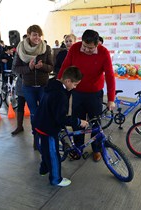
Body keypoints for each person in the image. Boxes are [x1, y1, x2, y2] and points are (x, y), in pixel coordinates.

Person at [57, 29, 115, 162]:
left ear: (97, 44)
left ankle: (96, 149)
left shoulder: (103, 52)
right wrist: (58, 83)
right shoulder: (75, 48)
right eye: (84, 46)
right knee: (78, 122)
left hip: (95, 94)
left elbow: (110, 76)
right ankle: (78, 148)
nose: (86, 50)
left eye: (90, 48)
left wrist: (111, 99)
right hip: (77, 92)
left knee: (95, 123)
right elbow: (65, 66)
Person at [33, 66, 87, 187]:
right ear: (67, 81)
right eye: (75, 84)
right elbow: (61, 118)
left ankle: (43, 170)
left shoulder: (53, 83)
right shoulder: (60, 95)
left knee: (46, 151)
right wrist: (79, 122)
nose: (75, 87)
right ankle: (56, 179)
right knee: (53, 153)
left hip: (39, 121)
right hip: (48, 127)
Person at [13, 24, 53, 150]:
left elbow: (51, 67)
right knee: (34, 113)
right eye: (35, 35)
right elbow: (15, 68)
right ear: (29, 35)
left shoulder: (46, 48)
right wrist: (28, 68)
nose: (37, 37)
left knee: (44, 112)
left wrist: (43, 67)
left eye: (39, 35)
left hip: (43, 86)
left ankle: (44, 137)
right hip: (28, 87)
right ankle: (36, 138)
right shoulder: (20, 49)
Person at [10, 35, 28, 136]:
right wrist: (26, 70)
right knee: (20, 105)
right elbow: (14, 68)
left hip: (33, 85)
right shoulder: (19, 52)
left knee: (34, 107)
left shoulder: (36, 51)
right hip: (22, 83)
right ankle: (19, 126)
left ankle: (37, 131)